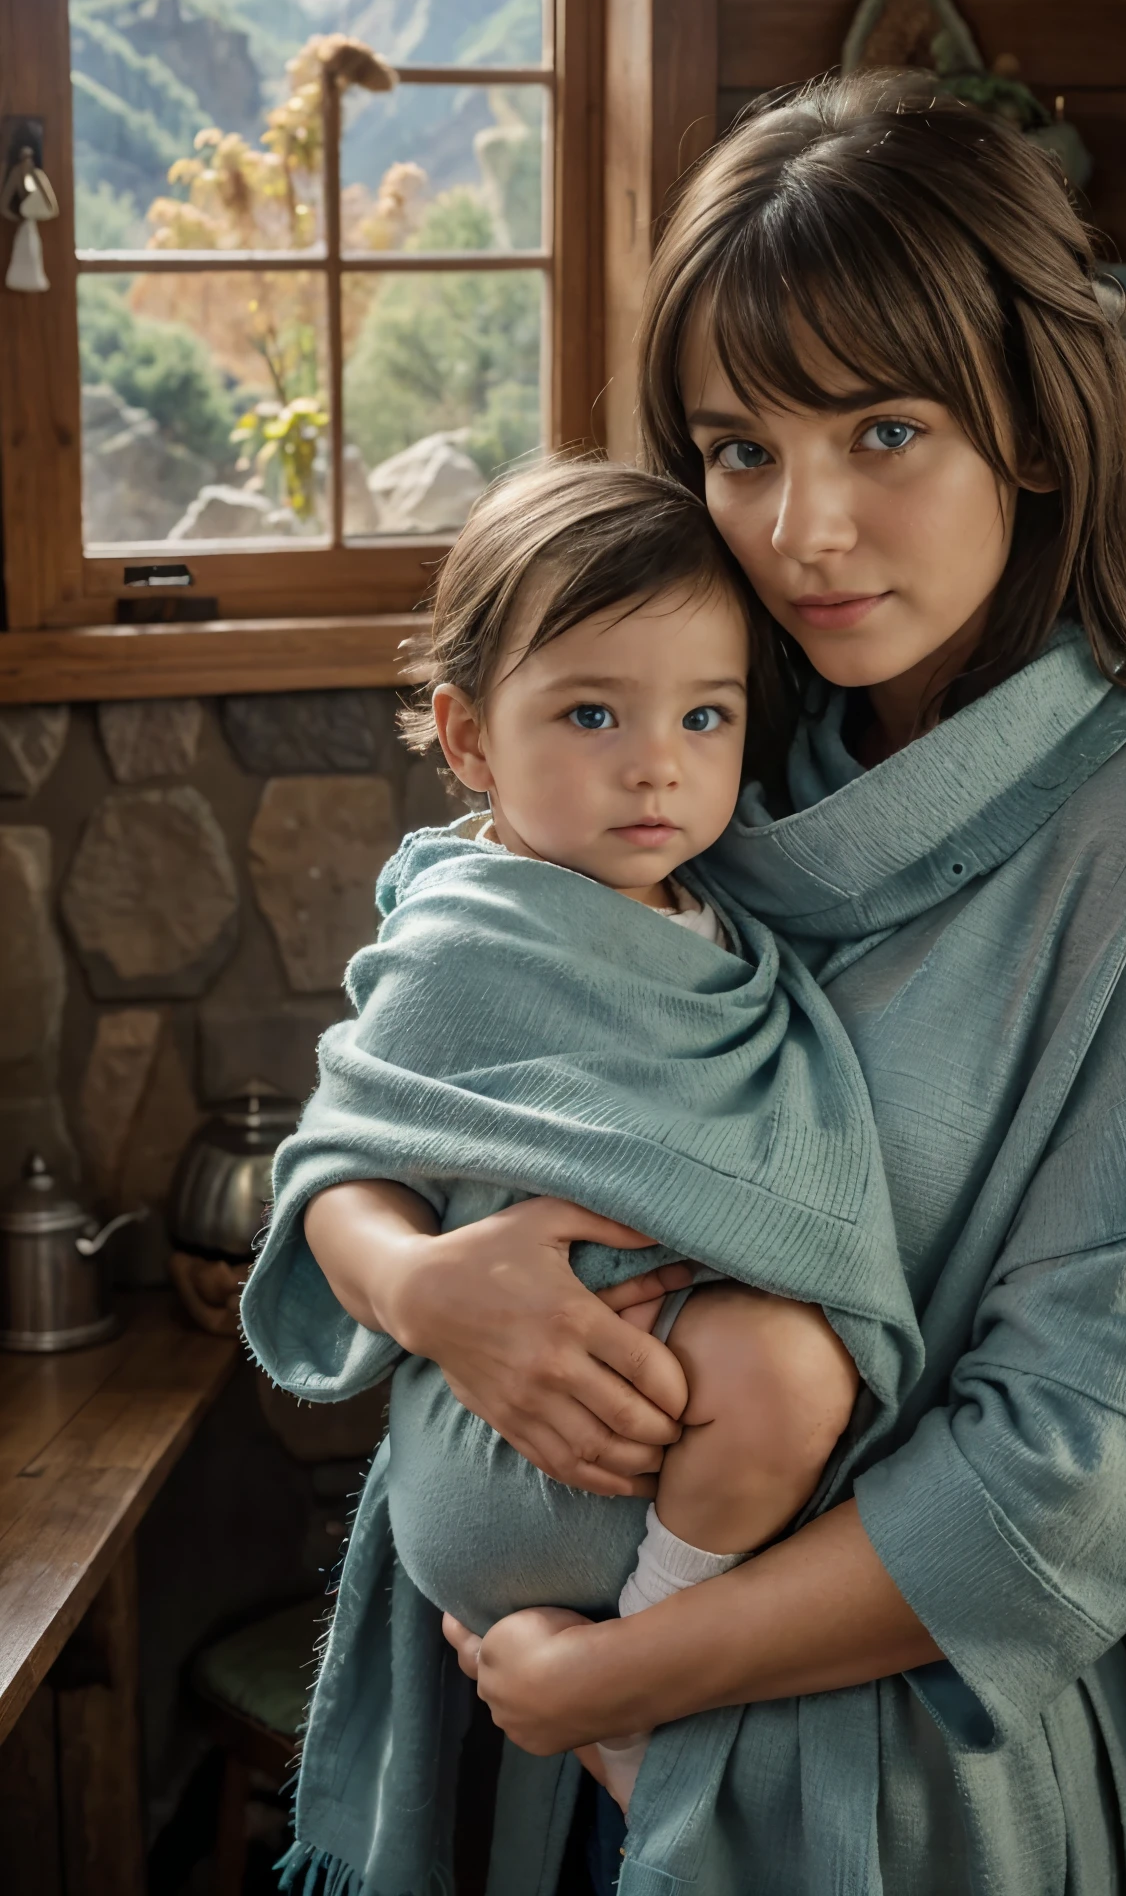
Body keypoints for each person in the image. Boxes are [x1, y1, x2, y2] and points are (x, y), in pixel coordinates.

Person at [279, 72, 1126, 1895]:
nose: (804, 533)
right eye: (743, 448)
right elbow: (382, 1089)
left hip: (885, 1783)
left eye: (884, 432)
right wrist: (428, 1283)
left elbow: (1071, 1480)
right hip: (508, 1717)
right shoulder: (701, 748)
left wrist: (613, 1681)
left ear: (1028, 423)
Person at [240, 457, 919, 1881]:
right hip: (523, 1454)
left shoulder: (725, 932)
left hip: (665, 1434)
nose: (656, 762)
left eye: (705, 715)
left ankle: (634, 1660)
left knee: (793, 1373)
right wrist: (420, 1279)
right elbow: (340, 1163)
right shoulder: (473, 934)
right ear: (469, 740)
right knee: (792, 1375)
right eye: (591, 714)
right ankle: (645, 1697)